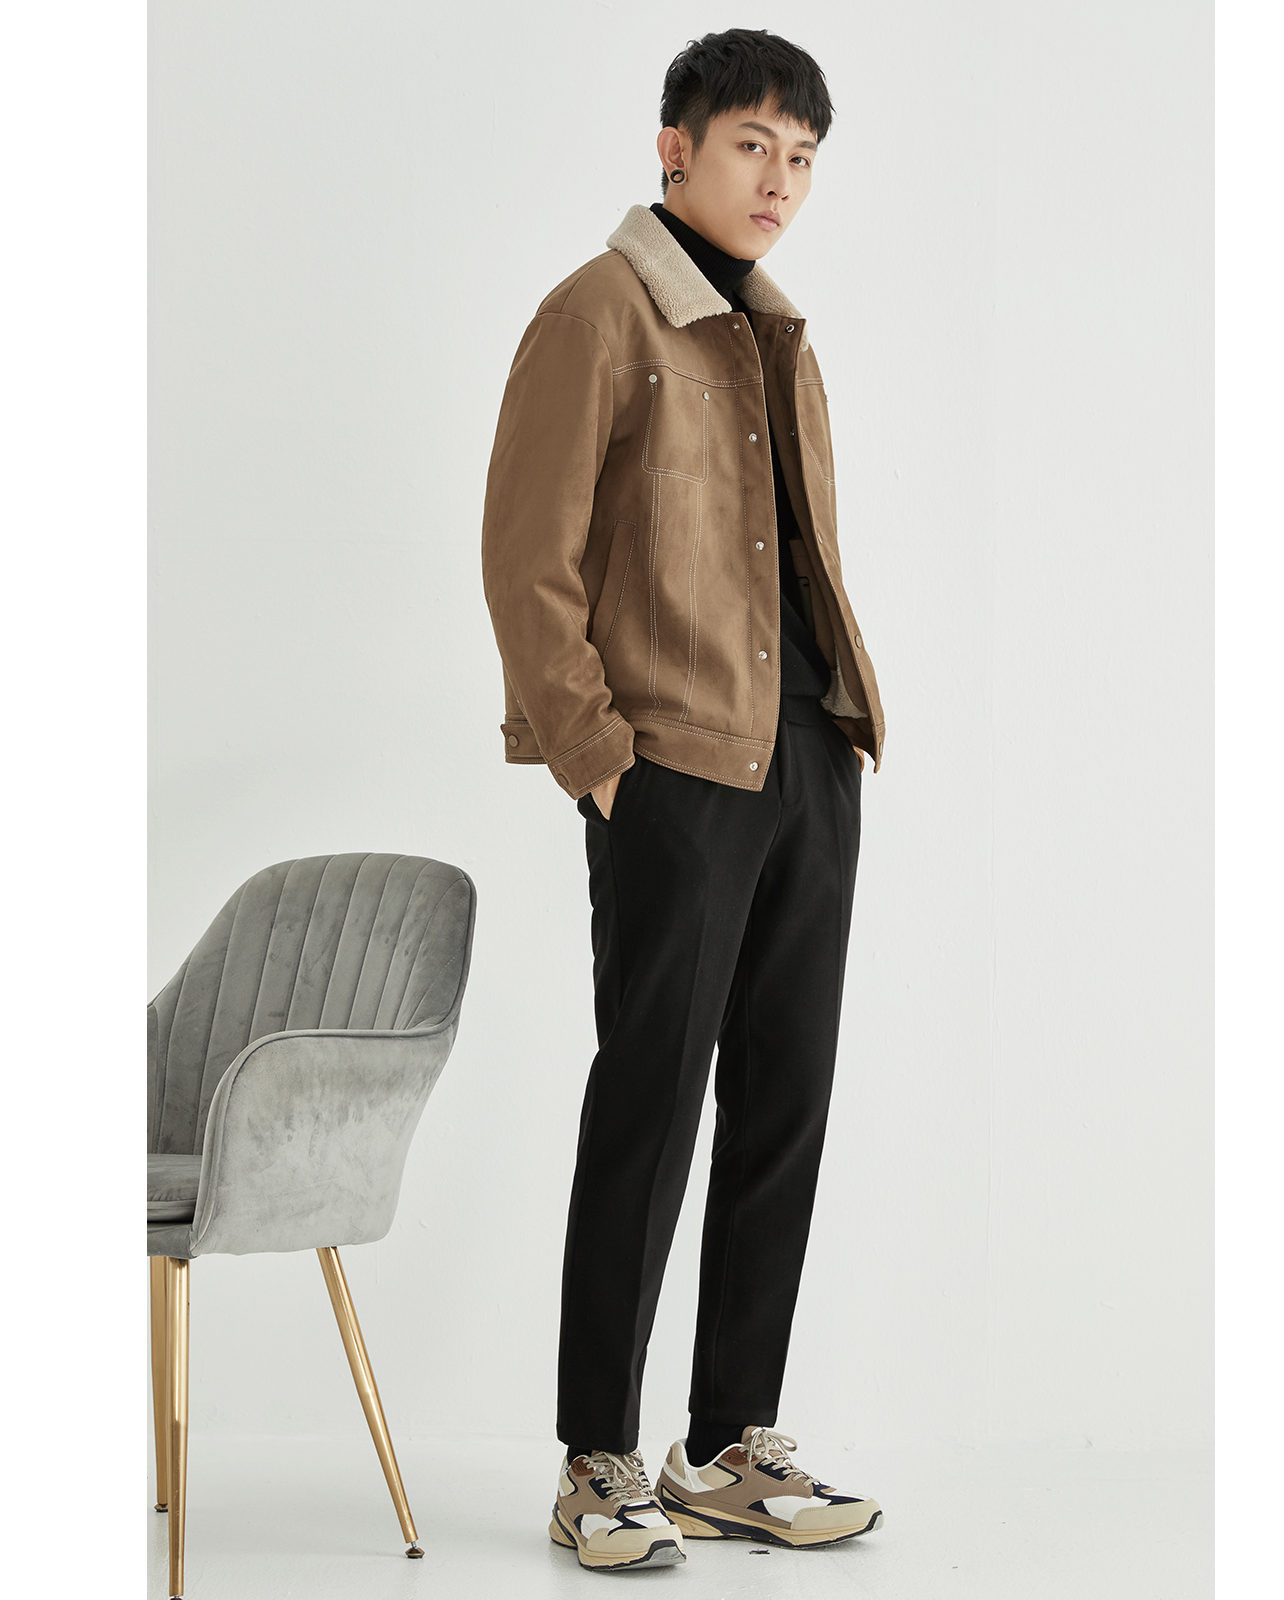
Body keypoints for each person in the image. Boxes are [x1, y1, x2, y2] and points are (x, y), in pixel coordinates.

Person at [480, 27, 886, 1572]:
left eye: (803, 158)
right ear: (676, 148)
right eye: (752, 146)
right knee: (648, 1106)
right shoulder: (599, 313)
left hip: (807, 760)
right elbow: (526, 557)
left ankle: (725, 1445)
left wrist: (837, 736)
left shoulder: (780, 335)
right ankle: (598, 1458)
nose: (780, 181)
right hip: (672, 771)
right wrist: (598, 760)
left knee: (785, 1101)